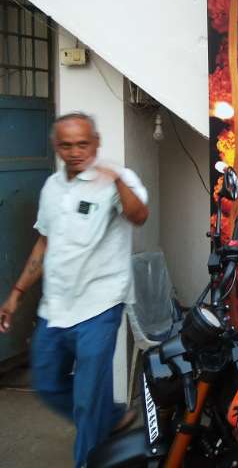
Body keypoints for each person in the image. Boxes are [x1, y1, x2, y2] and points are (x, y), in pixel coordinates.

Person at [0, 112, 148, 468]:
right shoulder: (52, 187)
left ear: (96, 142)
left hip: (100, 304)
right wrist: (17, 293)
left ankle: (90, 456)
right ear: (56, 146)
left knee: (87, 398)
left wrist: (116, 182)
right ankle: (109, 418)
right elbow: (44, 243)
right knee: (47, 383)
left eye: (83, 144)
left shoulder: (117, 179)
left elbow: (139, 215)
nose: (75, 152)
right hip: (56, 306)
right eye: (67, 145)